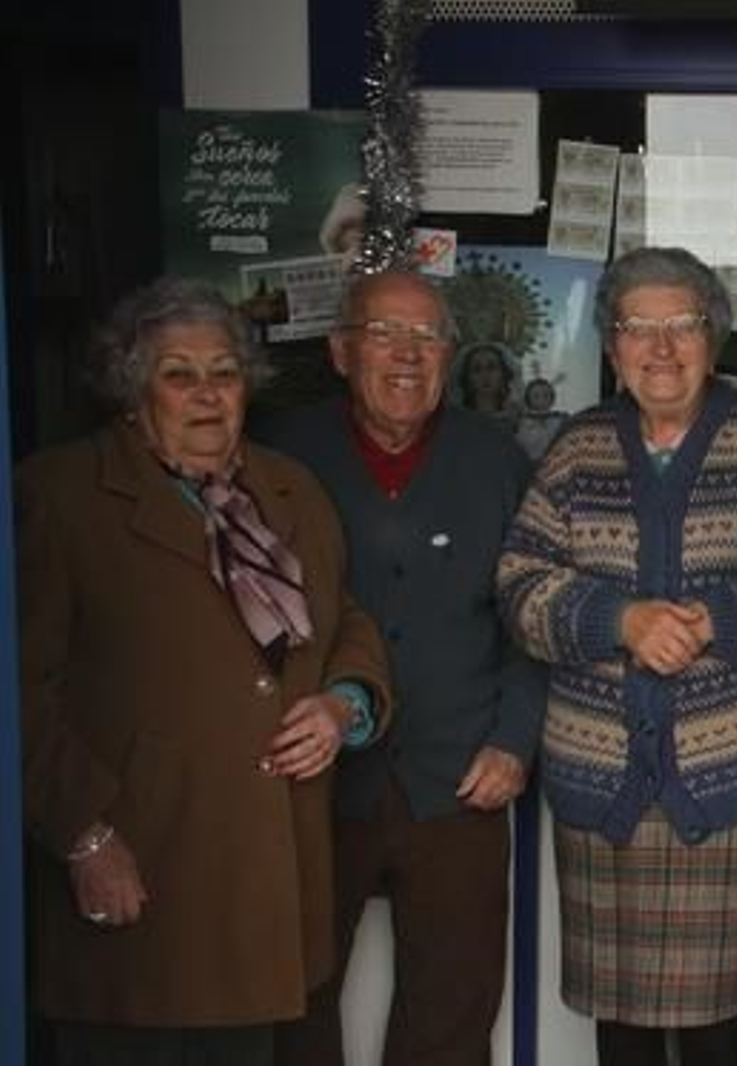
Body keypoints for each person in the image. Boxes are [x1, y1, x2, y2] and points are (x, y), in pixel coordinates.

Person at [17, 277, 391, 1066]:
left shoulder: (288, 489)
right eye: (177, 374)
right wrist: (83, 837)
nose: (206, 395)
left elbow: (343, 618)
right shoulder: (60, 496)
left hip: (261, 879)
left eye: (223, 373)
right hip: (142, 865)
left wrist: (343, 703)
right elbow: (22, 689)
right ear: (131, 389)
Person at [497, 246, 737, 1066]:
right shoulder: (576, 450)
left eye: (683, 326)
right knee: (622, 1027)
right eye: (640, 328)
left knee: (715, 1026)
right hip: (607, 791)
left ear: (713, 338)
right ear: (612, 347)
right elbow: (518, 584)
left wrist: (717, 617)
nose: (662, 348)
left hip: (730, 782)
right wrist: (619, 617)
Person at [268, 271, 542, 1066]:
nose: (406, 355)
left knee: (452, 1011)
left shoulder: (495, 460)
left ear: (451, 356)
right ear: (341, 350)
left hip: (460, 774)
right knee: (295, 998)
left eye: (426, 338)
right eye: (384, 333)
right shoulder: (283, 454)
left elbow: (533, 614)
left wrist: (514, 742)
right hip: (311, 779)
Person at [457, 339, 523, 436]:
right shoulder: (458, 420)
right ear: (467, 377)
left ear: (504, 374)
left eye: (491, 367)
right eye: (477, 369)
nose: (485, 375)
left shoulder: (515, 420)